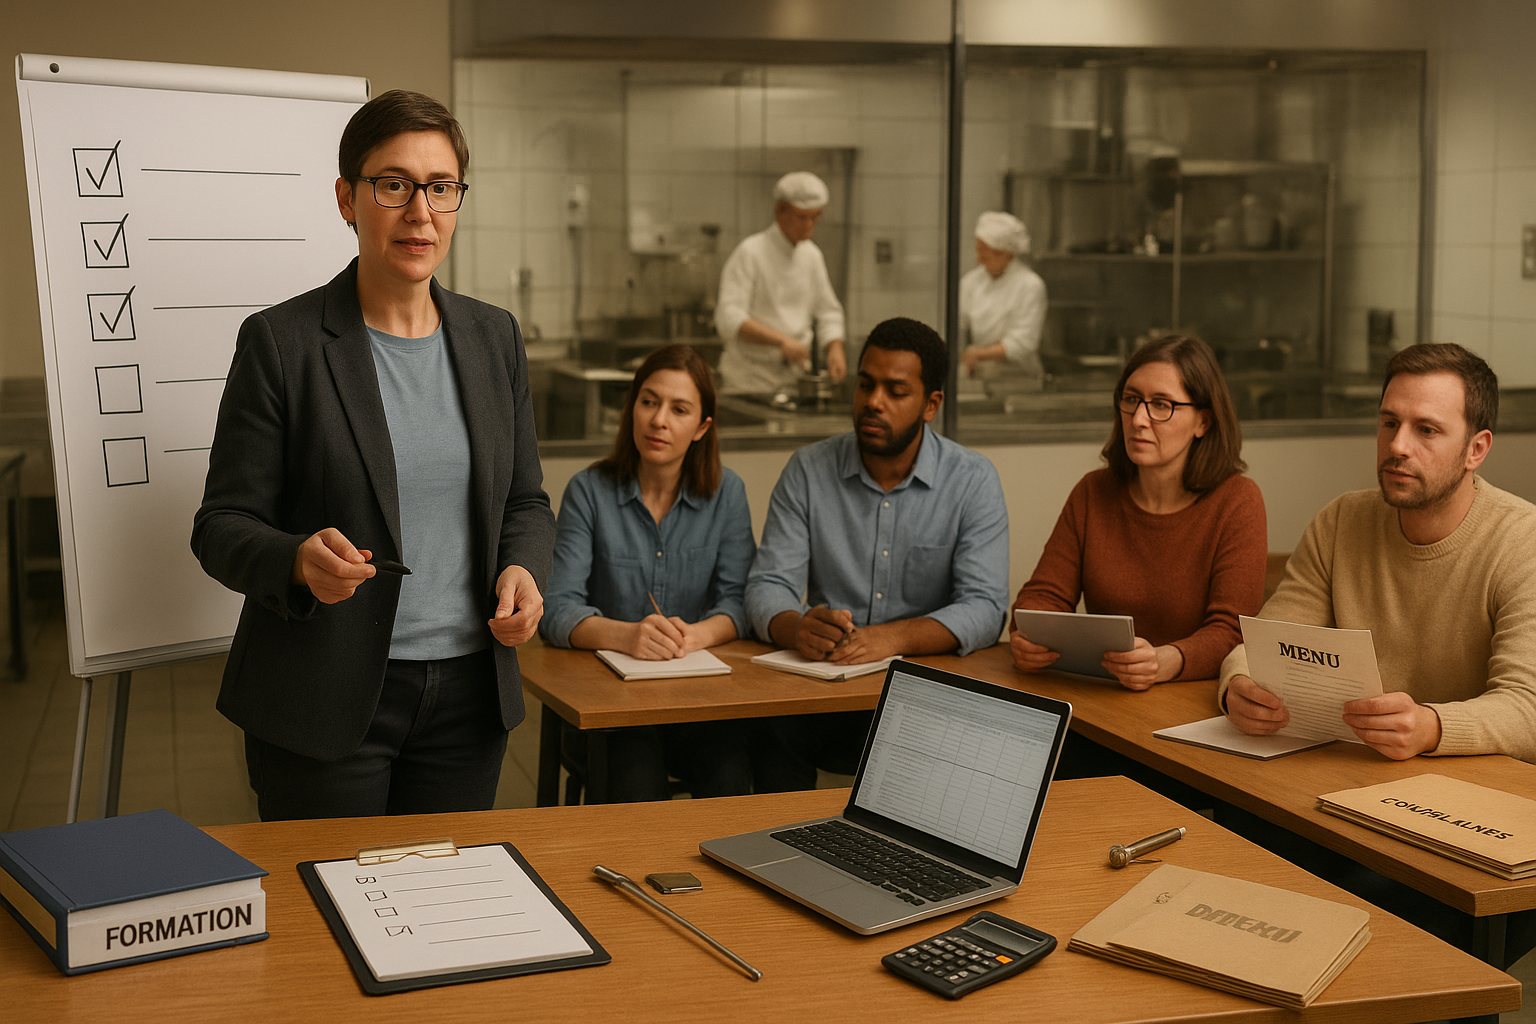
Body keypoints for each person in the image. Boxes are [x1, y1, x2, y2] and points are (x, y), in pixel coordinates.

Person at [191, 90, 555, 821]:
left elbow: (524, 501)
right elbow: (222, 525)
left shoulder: (494, 338)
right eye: (394, 185)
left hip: (468, 699)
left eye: (441, 187)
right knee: (332, 892)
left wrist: (523, 569)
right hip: (324, 695)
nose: (421, 211)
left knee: (445, 890)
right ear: (346, 199)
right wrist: (297, 560)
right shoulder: (282, 343)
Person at [1222, 342, 1536, 763]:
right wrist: (1238, 686)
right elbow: (1266, 646)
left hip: (1469, 786)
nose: (1398, 445)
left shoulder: (1523, 542)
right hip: (1349, 767)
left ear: (1476, 450)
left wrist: (1431, 727)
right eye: (1389, 423)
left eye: (1426, 430)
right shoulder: (1340, 521)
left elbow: (1527, 708)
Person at [745, 317, 1010, 791]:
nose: (873, 401)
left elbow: (986, 606)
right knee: (767, 733)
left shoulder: (972, 480)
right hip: (822, 690)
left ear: (931, 405)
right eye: (865, 384)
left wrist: (894, 637)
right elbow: (768, 584)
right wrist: (797, 627)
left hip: (922, 695)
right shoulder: (808, 470)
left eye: (895, 391)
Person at [540, 344, 757, 801]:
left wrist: (694, 636)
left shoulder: (727, 493)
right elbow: (556, 608)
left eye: (679, 409)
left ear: (702, 427)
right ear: (631, 408)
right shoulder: (589, 491)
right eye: (649, 402)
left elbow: (740, 601)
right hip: (610, 706)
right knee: (635, 782)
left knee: (732, 774)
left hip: (697, 700)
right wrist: (627, 636)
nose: (659, 420)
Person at [1012, 334, 1266, 688]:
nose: (1139, 419)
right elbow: (1042, 596)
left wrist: (1168, 660)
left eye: (1161, 405)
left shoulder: (1238, 500)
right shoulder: (1093, 491)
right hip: (1104, 692)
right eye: (1131, 400)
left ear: (1203, 422)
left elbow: (1233, 632)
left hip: (1192, 699)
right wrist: (1028, 636)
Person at [714, 171, 847, 393]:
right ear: (780, 211)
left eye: (815, 217)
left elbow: (828, 311)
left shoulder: (812, 256)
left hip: (793, 380)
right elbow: (729, 318)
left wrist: (835, 347)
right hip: (748, 381)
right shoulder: (751, 252)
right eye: (802, 217)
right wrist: (781, 341)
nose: (809, 225)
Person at [958, 211, 1048, 383]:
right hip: (982, 373)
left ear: (1005, 253)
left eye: (985, 254)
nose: (979, 259)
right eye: (978, 251)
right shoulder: (971, 282)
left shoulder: (1030, 285)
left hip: (1020, 376)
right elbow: (958, 323)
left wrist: (978, 353)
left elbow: (1023, 343)